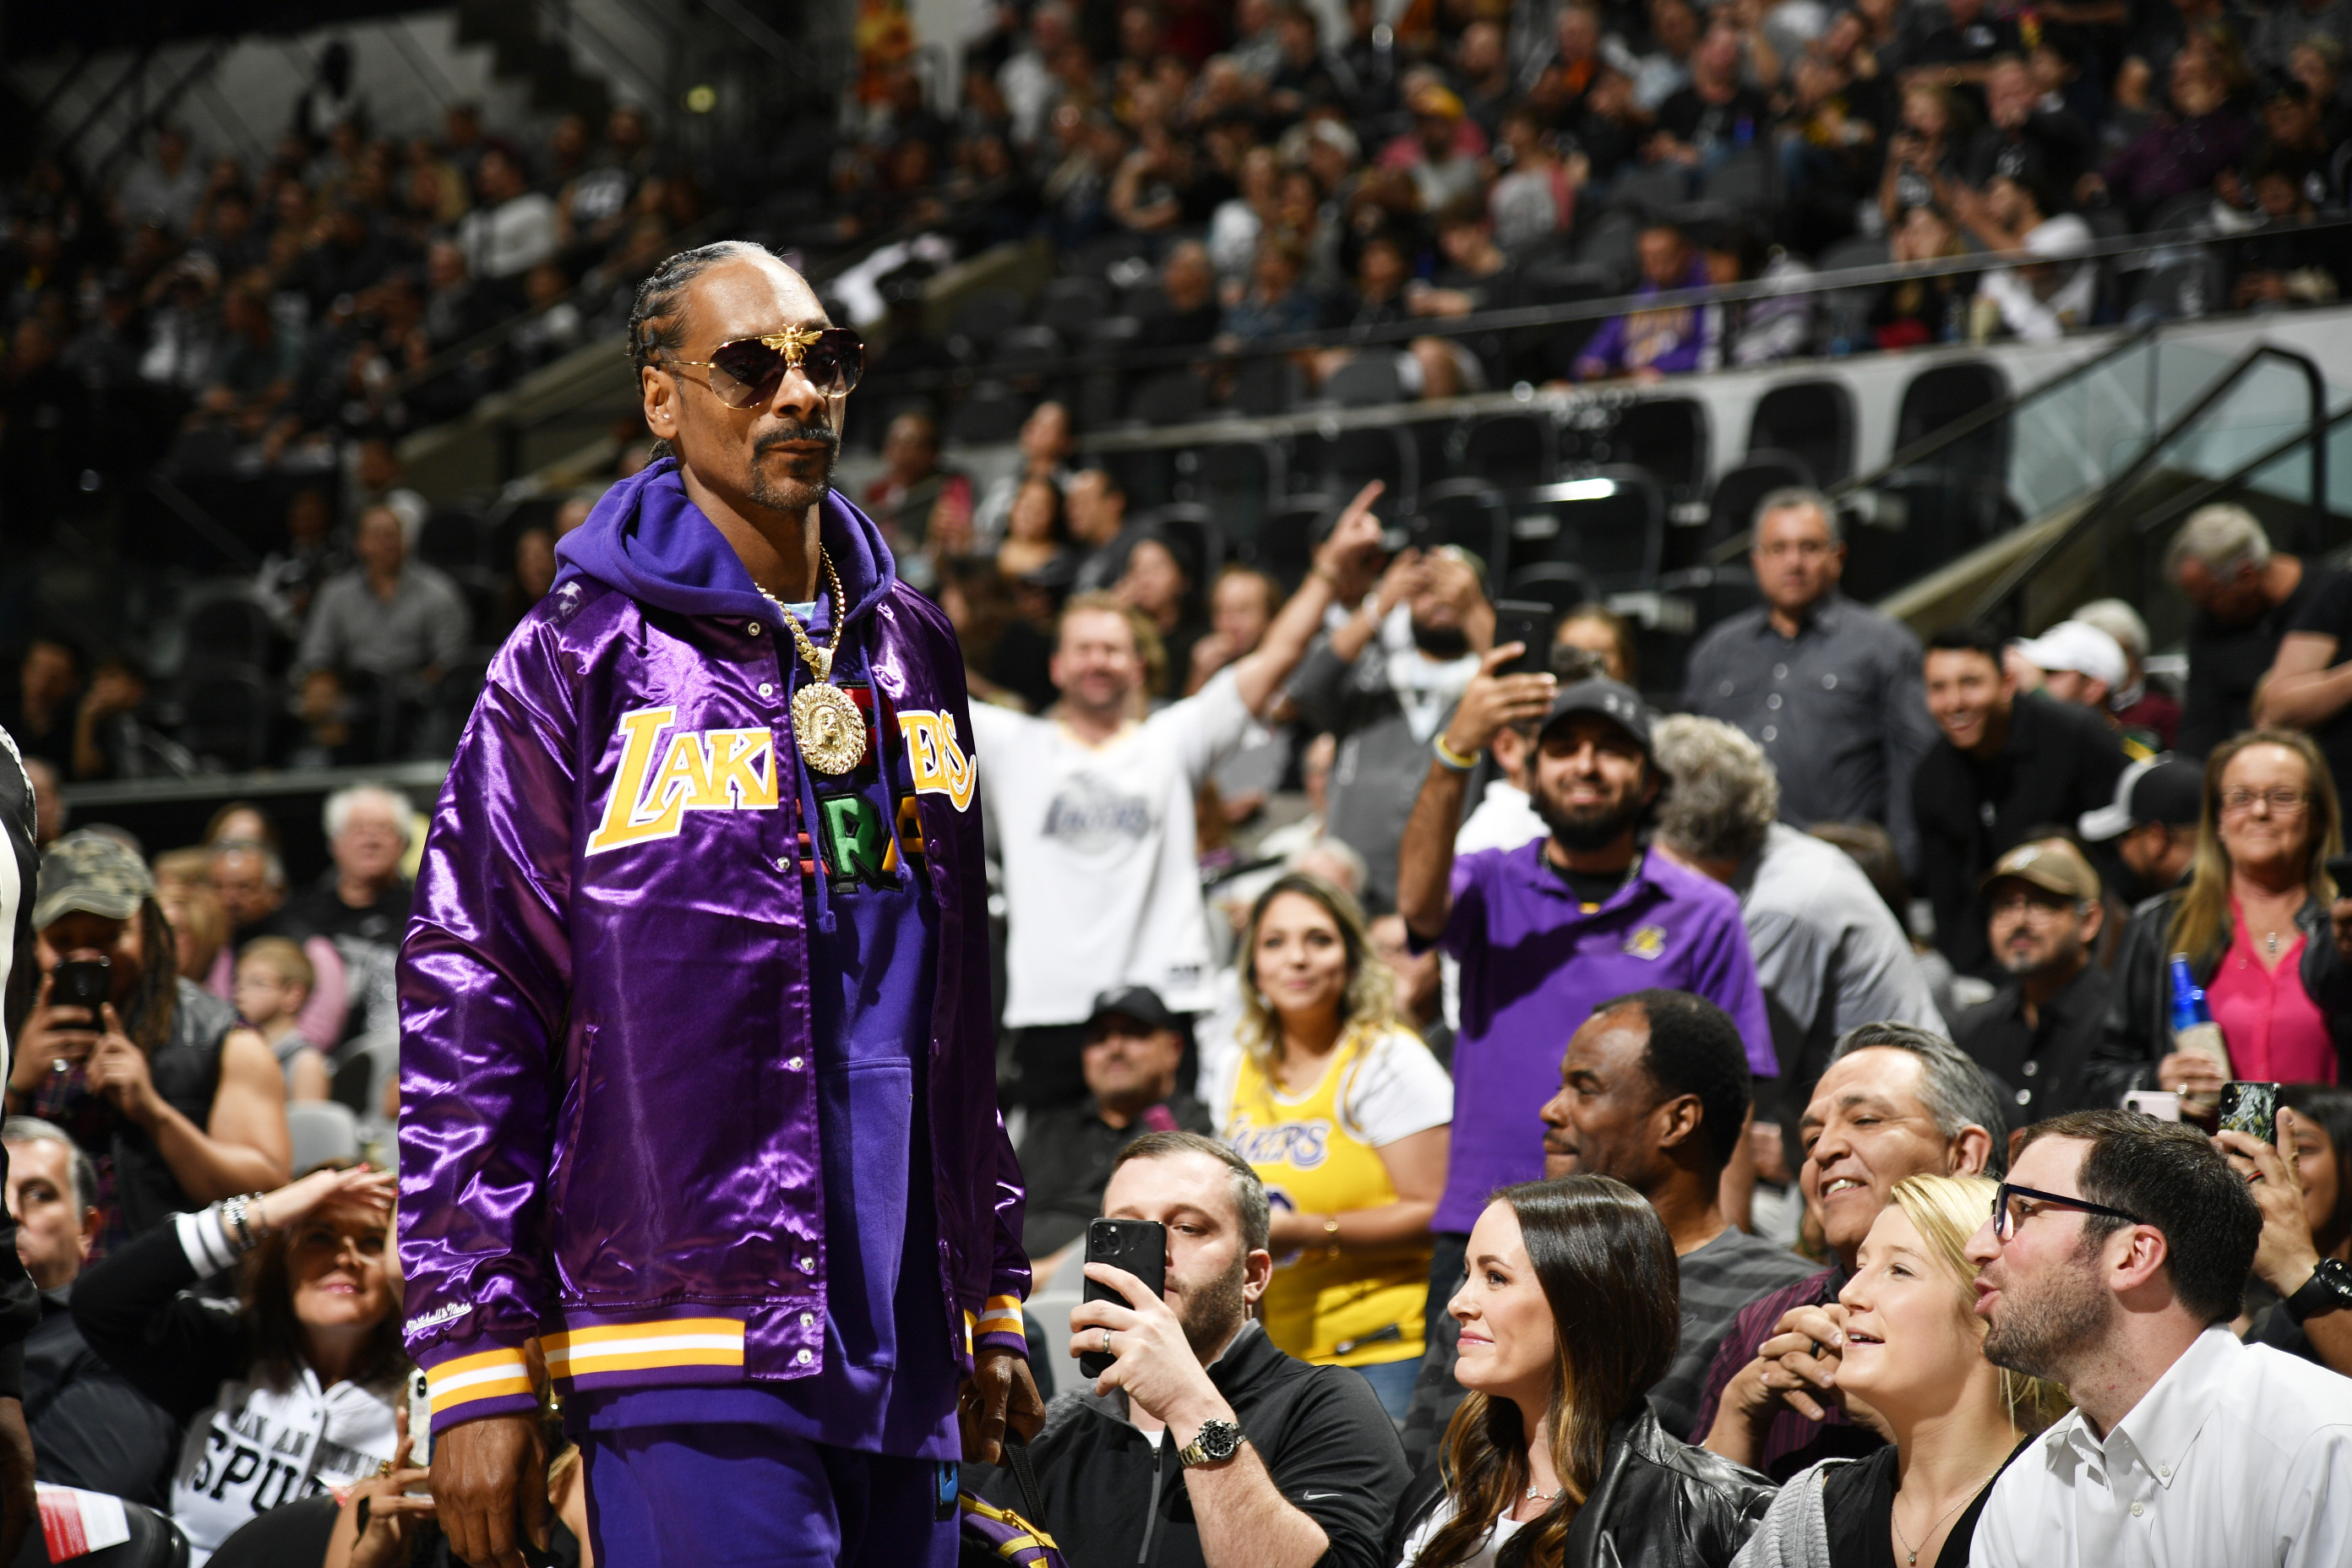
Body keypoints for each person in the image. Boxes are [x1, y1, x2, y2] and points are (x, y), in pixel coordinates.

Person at [400, 242, 1044, 1568]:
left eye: (826, 360)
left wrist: (988, 1290)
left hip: (908, 1321)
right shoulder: (577, 652)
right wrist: (472, 1350)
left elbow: (960, 1002)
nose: (798, 393)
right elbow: (474, 989)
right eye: (752, 365)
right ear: (660, 399)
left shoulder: (913, 641)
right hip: (688, 1306)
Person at [1397, 674, 1774, 1453]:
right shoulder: (1492, 879)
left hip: (1634, 1248)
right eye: (1563, 748)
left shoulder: (1704, 909)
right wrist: (1453, 749)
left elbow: (1728, 1107)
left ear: (1651, 780)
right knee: (1451, 1462)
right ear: (1529, 773)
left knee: (1620, 1461)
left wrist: (1726, 1253)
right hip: (1484, 1231)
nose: (1585, 765)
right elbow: (1418, 908)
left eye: (1611, 749)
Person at [977, 489, 1381, 1111]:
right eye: (1082, 648)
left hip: (1165, 1009)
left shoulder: (1174, 740)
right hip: (1049, 1016)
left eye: (1112, 649)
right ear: (1056, 666)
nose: (1097, 662)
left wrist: (1328, 571)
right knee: (1051, 1205)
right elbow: (909, 686)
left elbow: (1277, 657)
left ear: (1141, 666)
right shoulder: (1010, 743)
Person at [971, 1131, 1410, 1568]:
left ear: (1253, 1276)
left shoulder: (1326, 1404)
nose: (1158, 1251)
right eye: (1127, 1230)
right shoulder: (1060, 1431)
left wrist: (1187, 1404)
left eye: (1188, 1228)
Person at [1966, 1110, 2352, 1567]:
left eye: (2023, 1211)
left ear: (2133, 1256)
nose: (1977, 1246)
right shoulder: (2027, 1488)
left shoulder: (2321, 1445)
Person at [1388, 1176, 1775, 1567]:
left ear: (1587, 1304)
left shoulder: (1714, 1513)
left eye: (1496, 1277)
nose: (1458, 1303)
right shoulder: (1437, 1495)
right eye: (1467, 1273)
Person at [1697, 1025, 2006, 1479]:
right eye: (1809, 1140)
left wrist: (1892, 1418)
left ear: (1962, 1155)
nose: (1824, 1150)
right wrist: (1740, 1413)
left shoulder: (2023, 1313)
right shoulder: (1763, 1328)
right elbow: (1685, 1546)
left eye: (1865, 1121)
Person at [1728, 1173, 2068, 1568]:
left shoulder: (2074, 1503)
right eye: (1860, 1266)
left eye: (1899, 1270)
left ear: (1990, 1311)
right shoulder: (1808, 1513)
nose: (1849, 1294)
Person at [1208, 873, 1451, 1420]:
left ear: (1350, 956)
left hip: (1382, 1350)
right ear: (1252, 967)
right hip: (1276, 1355)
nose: (1297, 959)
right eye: (1275, 942)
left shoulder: (1388, 1058)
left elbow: (1437, 1210)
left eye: (1319, 939)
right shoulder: (1236, 1067)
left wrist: (1309, 1232)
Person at [72, 1163, 403, 1565]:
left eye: (372, 1242)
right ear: (283, 1261)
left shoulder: (420, 1397)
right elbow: (100, 1303)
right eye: (319, 1236)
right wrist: (266, 1211)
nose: (346, 1257)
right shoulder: (226, 1346)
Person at [1532, 992, 1816, 1444]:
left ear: (1678, 1121)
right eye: (1560, 1087)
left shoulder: (1781, 1305)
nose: (1552, 1110)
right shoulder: (1505, 1273)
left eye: (1585, 1089)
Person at [7, 831, 291, 1250]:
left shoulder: (222, 1038)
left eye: (108, 937)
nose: (86, 957)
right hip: (30, 1293)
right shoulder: (6, 1027)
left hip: (167, 1295)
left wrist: (154, 1114)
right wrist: (13, 1087)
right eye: (62, 942)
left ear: (150, 932)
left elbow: (268, 1196)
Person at [1650, 716, 1946, 1116]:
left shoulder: (1785, 904)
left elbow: (1737, 1085)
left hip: (1904, 1133)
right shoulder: (1774, 856)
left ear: (1680, 832)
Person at [2088, 729, 2352, 1104]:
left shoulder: (2344, 927)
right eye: (2240, 798)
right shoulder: (2159, 927)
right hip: (2206, 1160)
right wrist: (2157, 1079)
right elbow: (2101, 1073)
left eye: (2282, 797)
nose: (2260, 812)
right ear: (2219, 820)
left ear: (2318, 817)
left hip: (2327, 1159)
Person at [1682, 491, 1938, 876]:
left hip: (1840, 872)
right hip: (1728, 868)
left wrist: (1900, 871)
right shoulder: (1716, 652)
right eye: (1778, 548)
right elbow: (1686, 765)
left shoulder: (1884, 645)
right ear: (1757, 559)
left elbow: (1913, 767)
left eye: (1809, 547)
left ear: (1838, 557)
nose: (1794, 562)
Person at [1289, 541, 1495, 912]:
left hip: (1446, 896)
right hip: (1352, 894)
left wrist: (1474, 610)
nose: (1440, 601)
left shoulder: (1489, 688)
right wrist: (1379, 604)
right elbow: (1307, 688)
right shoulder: (1371, 675)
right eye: (1426, 589)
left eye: (1455, 590)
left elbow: (1530, 710)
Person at [1911, 623, 2126, 977]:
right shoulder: (1931, 779)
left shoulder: (2076, 738)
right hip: (1995, 974)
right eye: (1938, 688)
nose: (1954, 704)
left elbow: (2123, 863)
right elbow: (1950, 906)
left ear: (2007, 683)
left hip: (2094, 958)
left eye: (1970, 683)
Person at [3, 1117, 179, 1507]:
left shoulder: (123, 1342)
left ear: (87, 1230)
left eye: (38, 1194)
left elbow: (62, 1503)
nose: (10, 1212)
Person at [1016, 986, 1214, 1266]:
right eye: (1099, 1038)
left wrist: (1045, 1273)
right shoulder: (1048, 1127)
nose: (1115, 1048)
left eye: (1133, 1033)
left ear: (1174, 1049)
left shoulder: (1189, 1129)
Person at [1951, 838, 2110, 1128]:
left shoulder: (2120, 1023)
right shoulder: (1972, 1027)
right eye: (2005, 906)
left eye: (2040, 904)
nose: (2019, 921)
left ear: (2088, 921)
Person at [2169, 503, 2334, 760]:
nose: (2204, 610)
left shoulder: (2328, 599)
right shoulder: (2208, 625)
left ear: (2246, 575)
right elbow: (2200, 726)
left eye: (2210, 597)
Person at [2226, 1088, 2352, 1376]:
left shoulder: (2290, 1271)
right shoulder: (2254, 1283)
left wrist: (2295, 1268)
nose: (2282, 1168)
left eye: (2301, 1151)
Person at [294, 504, 471, 697]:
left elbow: (451, 659)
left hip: (419, 695)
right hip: (354, 693)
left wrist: (415, 688)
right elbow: (315, 654)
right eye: (378, 535)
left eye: (393, 534)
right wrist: (323, 685)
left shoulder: (438, 590)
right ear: (360, 544)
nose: (388, 542)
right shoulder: (335, 593)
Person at [289, 785, 417, 1051]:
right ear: (334, 843)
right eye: (358, 828)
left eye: (383, 829)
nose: (370, 840)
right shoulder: (297, 914)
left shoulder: (425, 916)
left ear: (403, 844)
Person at [1572, 221, 1721, 381]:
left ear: (1685, 252)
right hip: (1632, 386)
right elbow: (1596, 352)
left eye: (1664, 256)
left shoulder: (1705, 296)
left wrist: (1659, 368)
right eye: (1649, 258)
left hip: (1682, 385)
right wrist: (1590, 367)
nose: (1658, 265)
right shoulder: (1633, 303)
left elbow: (1706, 353)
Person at [2077, 754, 2202, 905]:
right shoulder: (2233, 891)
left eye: (2125, 835)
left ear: (2157, 838)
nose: (2120, 849)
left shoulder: (2167, 918)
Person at [231, 939, 330, 1102]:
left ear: (293, 995)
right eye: (237, 981)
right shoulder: (241, 1048)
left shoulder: (306, 1063)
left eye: (257, 983)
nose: (240, 991)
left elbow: (308, 1125)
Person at [2007, 618, 2130, 722]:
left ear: (2094, 689)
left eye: (2049, 670)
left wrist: (2035, 689)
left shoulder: (2117, 747)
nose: (2033, 674)